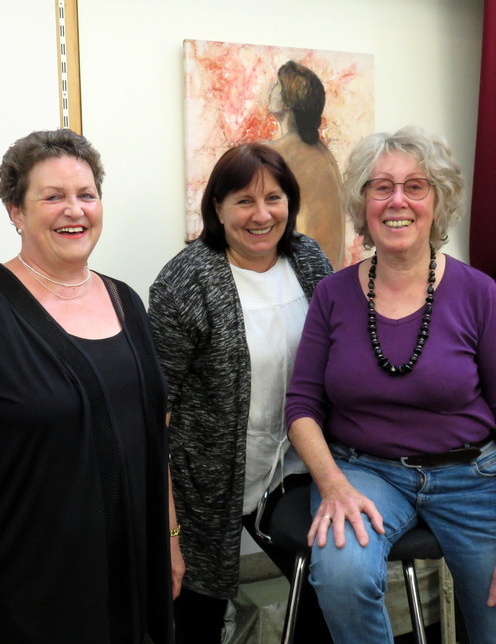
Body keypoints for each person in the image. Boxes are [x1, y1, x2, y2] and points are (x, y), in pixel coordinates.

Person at [285, 126, 496, 643]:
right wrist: (333, 485)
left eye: (415, 186)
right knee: (341, 575)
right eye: (381, 187)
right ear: (363, 203)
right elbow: (301, 407)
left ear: (437, 201)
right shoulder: (333, 294)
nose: (397, 201)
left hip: (471, 478)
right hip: (364, 472)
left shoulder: (478, 293)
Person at [0, 129, 176, 643]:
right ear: (15, 211)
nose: (74, 210)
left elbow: (154, 436)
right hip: (30, 591)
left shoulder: (126, 300)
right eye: (53, 197)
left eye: (86, 195)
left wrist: (170, 538)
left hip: (134, 577)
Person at [149, 143, 334, 642]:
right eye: (244, 201)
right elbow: (156, 410)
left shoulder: (310, 260)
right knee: (198, 614)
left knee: (328, 589)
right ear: (218, 207)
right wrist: (167, 526)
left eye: (273, 198)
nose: (262, 215)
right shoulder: (185, 281)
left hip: (297, 468)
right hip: (205, 482)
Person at [266, 60, 348, 269]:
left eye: (276, 86)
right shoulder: (323, 153)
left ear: (287, 101)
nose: (270, 90)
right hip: (324, 276)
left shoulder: (276, 153)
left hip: (304, 276)